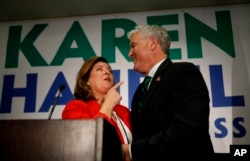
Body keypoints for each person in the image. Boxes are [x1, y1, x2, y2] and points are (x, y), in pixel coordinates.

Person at [122, 25, 214, 160]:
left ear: (153, 43)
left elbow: (188, 131)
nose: (130, 53)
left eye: (133, 45)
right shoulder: (140, 91)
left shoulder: (182, 72)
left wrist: (132, 151)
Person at [61, 56, 132, 160]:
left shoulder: (124, 111)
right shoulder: (76, 107)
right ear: (86, 80)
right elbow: (86, 145)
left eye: (109, 70)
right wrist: (107, 105)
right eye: (99, 69)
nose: (107, 72)